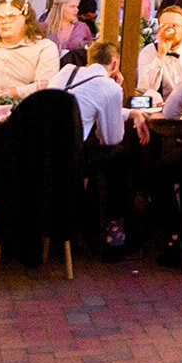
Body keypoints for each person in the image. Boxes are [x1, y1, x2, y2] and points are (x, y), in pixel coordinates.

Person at [49, 41, 151, 259]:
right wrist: (116, 91)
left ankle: (89, 222)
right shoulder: (109, 87)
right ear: (115, 64)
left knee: (107, 155)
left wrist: (130, 113)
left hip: (40, 155)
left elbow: (87, 100)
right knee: (119, 155)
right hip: (68, 161)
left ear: (89, 60)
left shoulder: (65, 73)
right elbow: (111, 138)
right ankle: (115, 232)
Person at [136, 6, 182, 100]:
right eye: (165, 26)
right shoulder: (148, 52)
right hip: (157, 110)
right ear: (159, 29)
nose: (170, 30)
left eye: (175, 26)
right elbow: (144, 90)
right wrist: (160, 56)